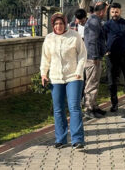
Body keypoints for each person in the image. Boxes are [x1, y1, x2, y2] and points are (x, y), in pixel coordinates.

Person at [40, 12, 87, 149]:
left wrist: (79, 71)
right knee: (58, 109)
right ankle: (60, 139)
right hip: (56, 78)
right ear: (52, 25)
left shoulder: (74, 36)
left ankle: (77, 139)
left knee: (74, 107)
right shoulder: (49, 38)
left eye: (61, 23)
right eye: (56, 24)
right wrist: (44, 73)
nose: (58, 26)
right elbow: (45, 58)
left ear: (65, 24)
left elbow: (83, 55)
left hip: (74, 76)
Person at [103, 3, 125, 112]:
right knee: (112, 82)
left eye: (116, 12)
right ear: (110, 12)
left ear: (120, 11)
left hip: (124, 56)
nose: (114, 14)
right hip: (111, 56)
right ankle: (114, 104)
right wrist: (106, 50)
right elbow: (101, 39)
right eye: (112, 12)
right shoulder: (106, 25)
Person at [83, 2, 108, 119]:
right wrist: (94, 57)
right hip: (92, 58)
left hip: (95, 57)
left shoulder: (95, 20)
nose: (106, 13)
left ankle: (94, 106)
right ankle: (88, 108)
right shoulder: (94, 22)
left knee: (95, 83)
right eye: (106, 11)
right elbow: (92, 41)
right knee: (91, 83)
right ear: (102, 11)